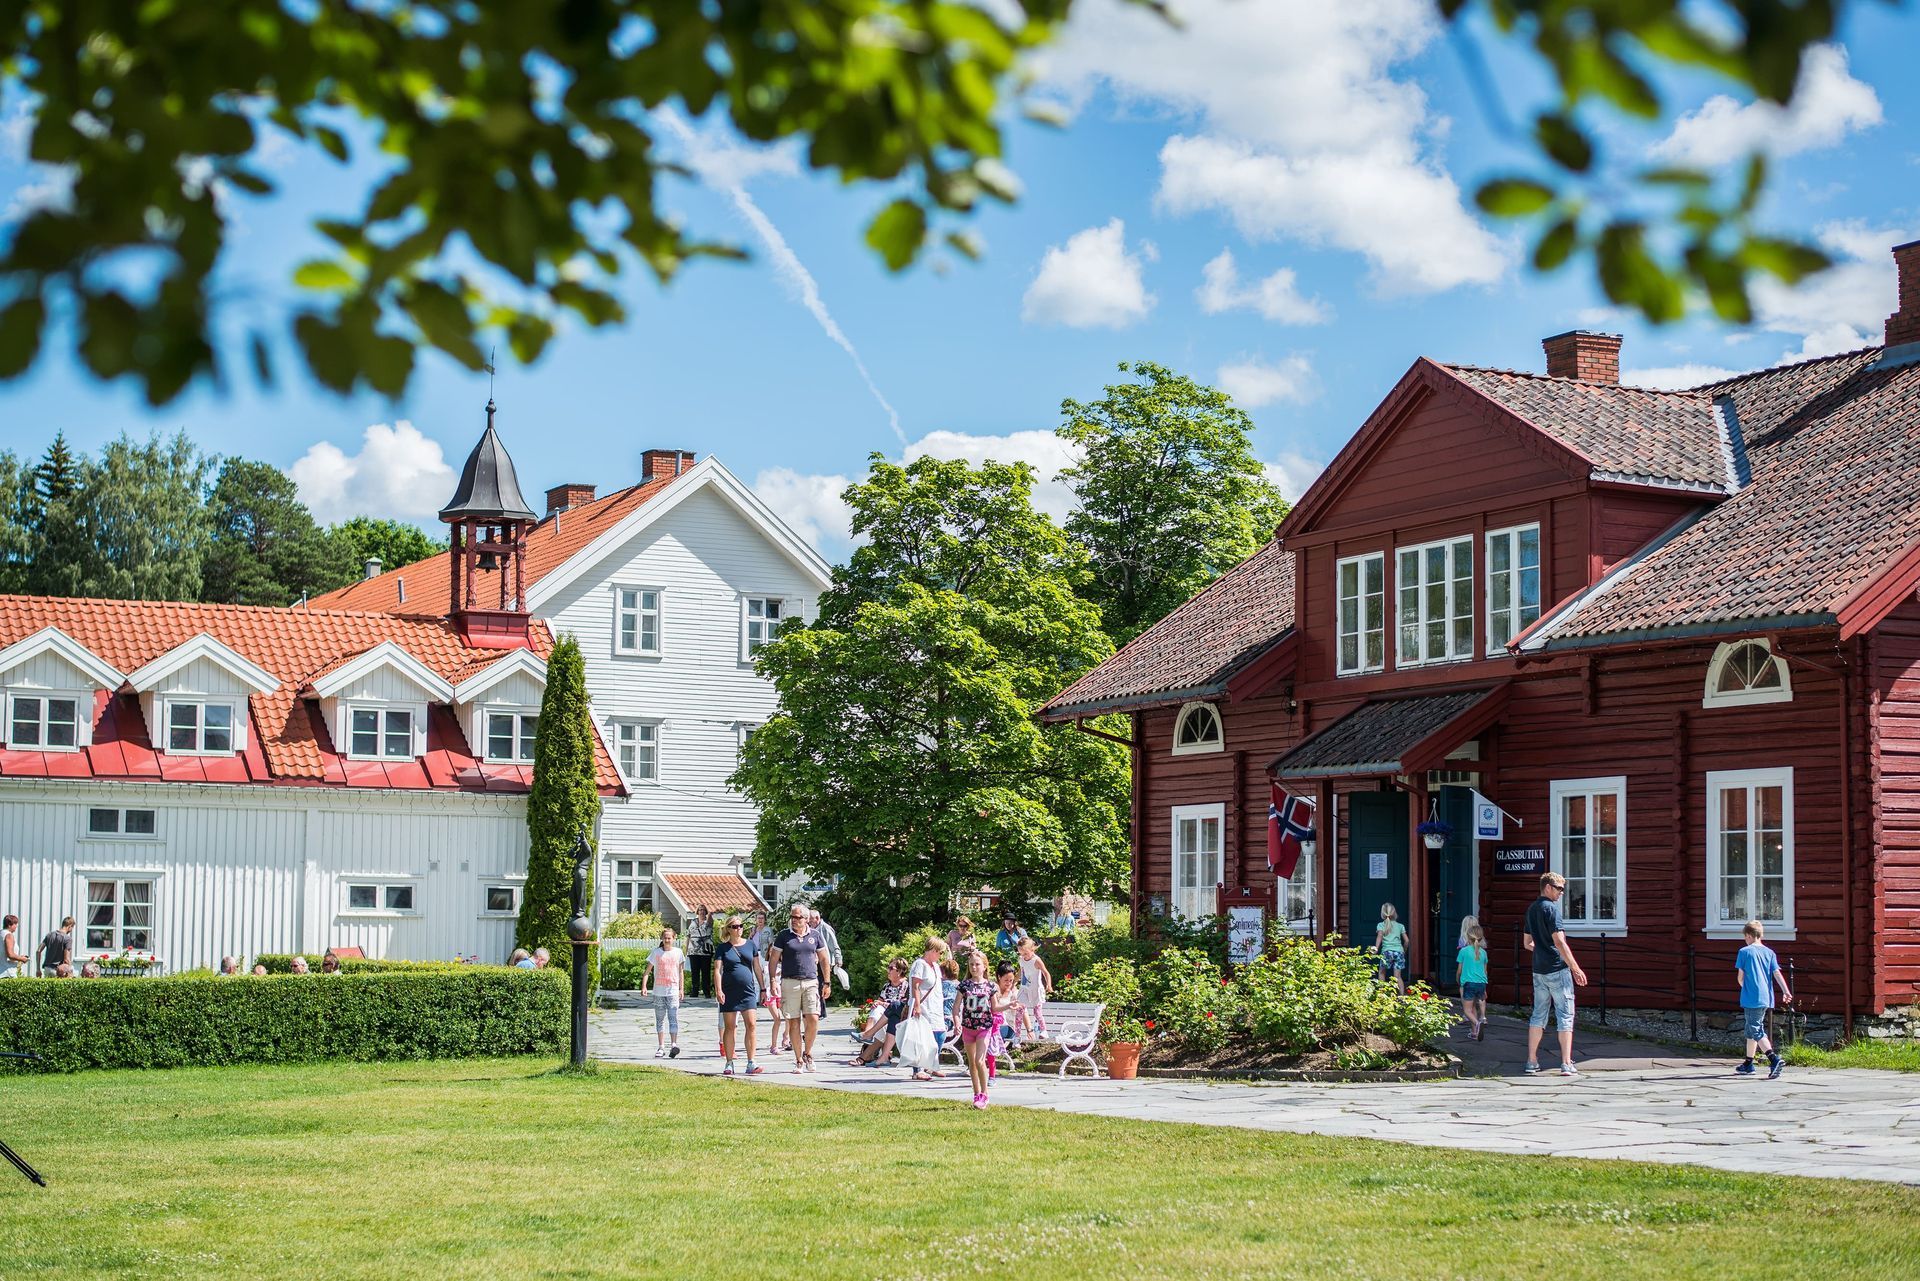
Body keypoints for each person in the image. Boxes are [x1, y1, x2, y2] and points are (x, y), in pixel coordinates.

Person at [1523, 871, 1589, 1077]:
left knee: (1538, 1014)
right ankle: (1566, 1063)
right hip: (1557, 969)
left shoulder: (1532, 909)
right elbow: (1560, 942)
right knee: (1565, 1014)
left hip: (1538, 970)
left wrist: (1541, 950)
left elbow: (1527, 944)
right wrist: (1575, 968)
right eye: (1559, 888)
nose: (1561, 893)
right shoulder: (1551, 909)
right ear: (1548, 887)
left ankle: (1532, 1061)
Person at [768, 905, 832, 1071]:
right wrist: (773, 981)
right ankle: (798, 1059)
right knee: (793, 1022)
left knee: (813, 1019)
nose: (794, 920)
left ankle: (808, 1052)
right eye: (793, 917)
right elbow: (774, 958)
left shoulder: (816, 935)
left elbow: (824, 959)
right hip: (790, 982)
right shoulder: (784, 936)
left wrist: (827, 982)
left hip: (811, 981)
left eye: (798, 917)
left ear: (806, 919)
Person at [1736, 920, 1793, 1079]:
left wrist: (1744, 987)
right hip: (1766, 996)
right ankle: (1748, 1063)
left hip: (1751, 996)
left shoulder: (1744, 952)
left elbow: (1740, 977)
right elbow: (1776, 974)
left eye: (1745, 937)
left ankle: (1773, 1059)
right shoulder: (1770, 952)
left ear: (1748, 935)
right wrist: (1785, 991)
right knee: (1750, 1029)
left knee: (1755, 1029)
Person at [713, 916, 766, 1077]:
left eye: (740, 926)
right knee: (730, 1027)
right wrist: (718, 990)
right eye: (735, 926)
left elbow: (756, 967)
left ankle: (751, 1061)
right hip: (729, 990)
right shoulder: (723, 948)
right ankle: (729, 1062)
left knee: (751, 1025)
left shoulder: (750, 945)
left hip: (748, 990)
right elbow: (717, 970)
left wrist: (763, 988)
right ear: (728, 929)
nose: (738, 929)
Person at [952, 949, 999, 1108]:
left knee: (980, 1060)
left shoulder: (991, 986)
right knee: (972, 1062)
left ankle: (985, 1094)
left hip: (984, 1027)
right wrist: (957, 1022)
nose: (974, 967)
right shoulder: (964, 985)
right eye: (971, 964)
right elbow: (956, 1007)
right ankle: (976, 1093)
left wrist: (1010, 1005)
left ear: (984, 966)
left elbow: (996, 1008)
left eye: (977, 964)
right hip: (968, 1027)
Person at [907, 938, 949, 1081]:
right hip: (924, 1007)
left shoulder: (935, 966)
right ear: (933, 950)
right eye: (940, 952)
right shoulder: (920, 964)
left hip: (935, 1007)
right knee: (921, 1038)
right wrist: (917, 1006)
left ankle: (931, 1064)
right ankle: (917, 1069)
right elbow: (916, 986)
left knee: (940, 1035)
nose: (941, 955)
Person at [856, 959, 911, 1066]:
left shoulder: (905, 985)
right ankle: (869, 1036)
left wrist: (882, 1004)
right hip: (886, 1015)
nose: (888, 970)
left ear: (899, 971)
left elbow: (900, 1005)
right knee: (877, 1010)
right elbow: (882, 1000)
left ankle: (867, 1041)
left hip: (899, 1016)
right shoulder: (887, 986)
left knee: (884, 1019)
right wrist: (877, 1003)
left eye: (891, 968)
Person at [644, 925, 686, 1059]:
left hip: (672, 990)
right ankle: (661, 1046)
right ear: (662, 939)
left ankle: (674, 1044)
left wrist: (681, 988)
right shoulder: (656, 952)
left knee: (673, 1017)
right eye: (665, 938)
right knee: (660, 1019)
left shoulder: (678, 952)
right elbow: (648, 971)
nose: (667, 940)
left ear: (674, 938)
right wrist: (644, 986)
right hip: (658, 991)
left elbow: (680, 972)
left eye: (669, 938)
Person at [1014, 934, 1052, 1043]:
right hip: (1024, 988)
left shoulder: (1036, 960)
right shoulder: (1021, 959)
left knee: (1037, 1011)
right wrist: (1014, 982)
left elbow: (1046, 973)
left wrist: (1048, 985)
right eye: (1021, 953)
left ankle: (1043, 1030)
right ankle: (1017, 1035)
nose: (1024, 955)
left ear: (1032, 949)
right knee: (1019, 1010)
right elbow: (1021, 971)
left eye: (1025, 953)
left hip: (1036, 989)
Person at [988, 959, 1021, 1079]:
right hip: (994, 1024)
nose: (1009, 983)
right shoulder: (993, 990)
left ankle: (988, 1066)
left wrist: (1029, 1030)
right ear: (998, 977)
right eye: (1006, 980)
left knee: (991, 1033)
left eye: (1011, 981)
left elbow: (1023, 1012)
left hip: (1008, 1027)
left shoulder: (1014, 993)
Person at [1456, 922, 1489, 1041]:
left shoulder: (1464, 951)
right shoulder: (1484, 952)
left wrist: (1458, 980)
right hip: (1481, 983)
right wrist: (1484, 988)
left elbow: (1459, 969)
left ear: (1468, 937)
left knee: (1467, 1010)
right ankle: (1474, 1032)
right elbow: (1485, 971)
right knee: (1474, 1007)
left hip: (1469, 983)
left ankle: (1477, 1023)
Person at [1374, 903, 1409, 994]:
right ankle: (1402, 996)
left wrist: (1376, 948)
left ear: (1383, 914)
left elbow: (1379, 936)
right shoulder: (1400, 926)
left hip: (1387, 952)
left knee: (1381, 973)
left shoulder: (1381, 925)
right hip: (1399, 952)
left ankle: (1382, 995)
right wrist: (1403, 951)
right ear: (1394, 913)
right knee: (1398, 976)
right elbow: (1407, 941)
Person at [807, 909, 845, 988]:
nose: (808, 921)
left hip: (824, 962)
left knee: (821, 986)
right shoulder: (811, 929)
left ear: (817, 918)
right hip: (814, 962)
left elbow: (834, 945)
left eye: (810, 919)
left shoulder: (825, 928)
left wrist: (838, 959)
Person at [685, 906, 714, 999]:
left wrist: (709, 914)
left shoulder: (708, 921)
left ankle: (706, 991)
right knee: (695, 971)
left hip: (705, 950)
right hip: (693, 950)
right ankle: (694, 990)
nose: (701, 911)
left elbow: (710, 921)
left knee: (706, 972)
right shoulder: (693, 921)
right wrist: (686, 949)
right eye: (700, 910)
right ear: (697, 911)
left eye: (703, 910)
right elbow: (688, 935)